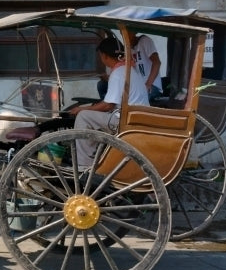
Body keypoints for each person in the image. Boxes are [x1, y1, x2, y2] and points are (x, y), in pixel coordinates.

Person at [67, 37, 150, 167]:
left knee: (83, 117)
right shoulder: (129, 69)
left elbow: (108, 105)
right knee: (89, 112)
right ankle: (96, 156)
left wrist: (82, 109)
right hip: (136, 118)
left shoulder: (118, 73)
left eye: (101, 55)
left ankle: (83, 164)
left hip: (125, 121)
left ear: (104, 56)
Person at [123, 29, 164, 102]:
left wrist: (148, 84)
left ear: (134, 32)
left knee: (136, 101)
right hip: (140, 86)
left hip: (152, 86)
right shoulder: (129, 47)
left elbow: (157, 63)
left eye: (128, 33)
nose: (125, 36)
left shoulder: (145, 41)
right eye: (123, 34)